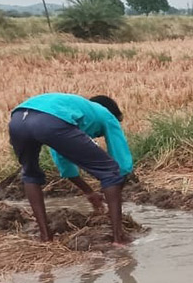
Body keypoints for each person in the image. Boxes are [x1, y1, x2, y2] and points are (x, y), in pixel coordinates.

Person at [8, 93, 133, 245]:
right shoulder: (106, 114)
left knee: (30, 173)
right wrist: (118, 180)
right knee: (110, 170)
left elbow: (63, 160)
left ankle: (46, 238)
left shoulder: (70, 110)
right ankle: (118, 239)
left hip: (17, 121)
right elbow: (120, 157)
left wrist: (89, 192)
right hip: (49, 121)